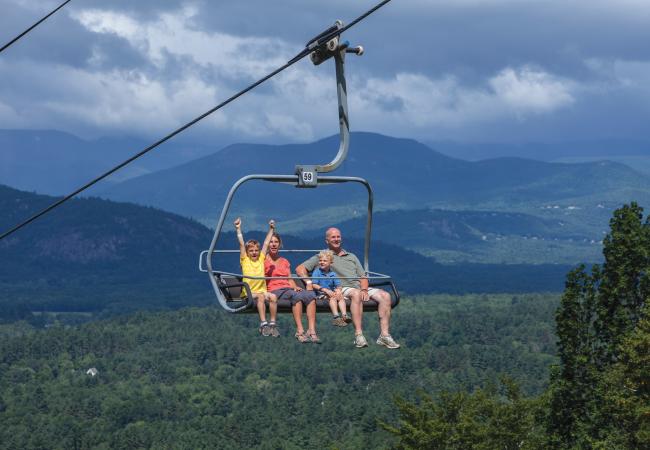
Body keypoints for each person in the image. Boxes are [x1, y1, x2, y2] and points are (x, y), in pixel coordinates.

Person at [296, 227, 400, 349]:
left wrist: (365, 290)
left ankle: (385, 335)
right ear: (327, 240)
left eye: (338, 237)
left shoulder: (351, 256)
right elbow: (300, 269)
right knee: (356, 294)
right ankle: (359, 335)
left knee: (385, 296)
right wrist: (308, 282)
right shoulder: (324, 256)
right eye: (333, 237)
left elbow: (362, 276)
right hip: (342, 287)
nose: (336, 239)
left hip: (358, 286)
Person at [265, 230, 320, 343]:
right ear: (267, 244)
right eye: (271, 242)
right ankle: (300, 331)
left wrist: (294, 287)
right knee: (296, 296)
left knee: (310, 295)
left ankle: (311, 330)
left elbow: (289, 278)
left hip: (288, 290)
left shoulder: (285, 261)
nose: (274, 244)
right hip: (274, 290)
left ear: (280, 245)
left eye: (276, 242)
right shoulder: (263, 260)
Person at [234, 217, 278, 337]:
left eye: (256, 250)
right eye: (251, 251)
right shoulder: (245, 260)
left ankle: (272, 323)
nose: (254, 252)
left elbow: (266, 243)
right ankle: (263, 323)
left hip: (262, 291)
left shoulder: (261, 259)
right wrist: (238, 229)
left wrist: (271, 229)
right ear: (247, 252)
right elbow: (241, 244)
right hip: (249, 293)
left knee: (273, 296)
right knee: (260, 297)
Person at [309, 250, 350, 327]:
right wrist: (324, 290)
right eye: (320, 260)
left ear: (330, 263)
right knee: (333, 298)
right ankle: (336, 317)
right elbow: (314, 284)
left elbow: (338, 285)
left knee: (340, 297)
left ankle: (344, 315)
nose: (322, 262)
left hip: (331, 292)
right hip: (321, 294)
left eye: (325, 261)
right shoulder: (317, 272)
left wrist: (338, 290)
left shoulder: (333, 274)